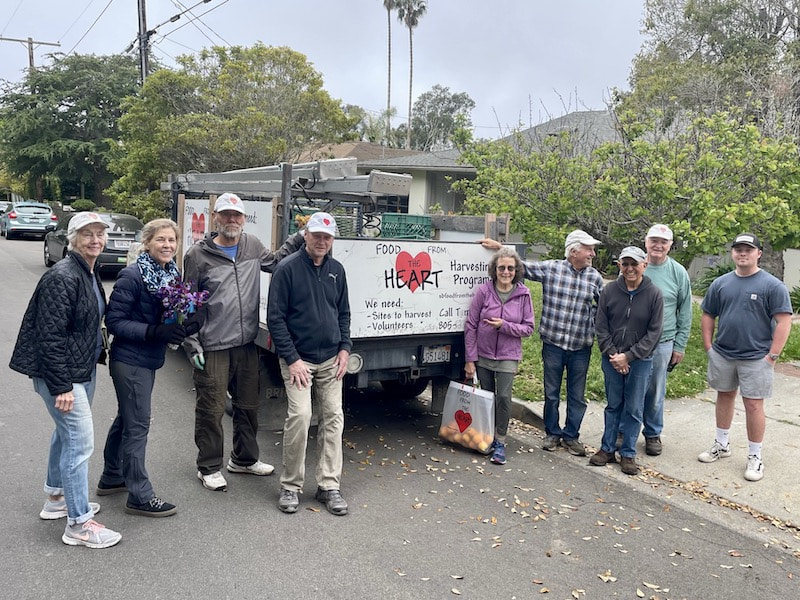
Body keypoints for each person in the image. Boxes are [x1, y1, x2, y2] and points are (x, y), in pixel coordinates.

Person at [9, 212, 122, 549]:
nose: (95, 240)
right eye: (87, 234)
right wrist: (61, 386)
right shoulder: (64, 276)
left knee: (65, 435)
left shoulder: (88, 271)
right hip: (61, 375)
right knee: (79, 443)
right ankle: (79, 524)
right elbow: (49, 335)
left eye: (99, 234)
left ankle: (57, 499)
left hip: (78, 370)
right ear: (73, 238)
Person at [183, 193, 303, 491]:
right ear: (216, 217)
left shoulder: (252, 245)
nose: (232, 220)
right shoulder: (197, 255)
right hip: (212, 345)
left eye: (237, 215)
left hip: (247, 343)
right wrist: (192, 343)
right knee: (211, 408)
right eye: (226, 215)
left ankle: (244, 460)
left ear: (243, 218)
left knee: (248, 405)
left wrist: (300, 237)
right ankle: (208, 466)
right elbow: (187, 303)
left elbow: (275, 262)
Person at [97, 218, 200, 517]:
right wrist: (154, 332)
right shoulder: (133, 275)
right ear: (147, 243)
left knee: (127, 418)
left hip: (147, 359)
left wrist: (182, 326)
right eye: (161, 240)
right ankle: (139, 495)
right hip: (130, 360)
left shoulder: (170, 273)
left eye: (172, 241)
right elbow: (114, 321)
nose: (167, 245)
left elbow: (172, 313)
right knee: (138, 425)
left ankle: (112, 475)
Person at [481, 230, 604, 456]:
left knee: (577, 395)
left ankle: (571, 436)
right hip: (553, 344)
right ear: (574, 250)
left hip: (580, 346)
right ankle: (552, 433)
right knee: (552, 392)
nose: (593, 254)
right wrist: (500, 247)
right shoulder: (552, 269)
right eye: (589, 249)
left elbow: (604, 309)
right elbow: (520, 266)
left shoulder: (594, 277)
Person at [267, 212, 352, 515]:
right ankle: (290, 486)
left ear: (332, 241)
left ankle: (328, 486)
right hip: (297, 360)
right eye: (316, 235)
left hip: (331, 359)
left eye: (327, 237)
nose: (321, 241)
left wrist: (345, 349)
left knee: (333, 417)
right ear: (305, 235)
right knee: (301, 416)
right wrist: (292, 360)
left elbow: (343, 314)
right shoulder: (287, 270)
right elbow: (275, 319)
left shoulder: (337, 271)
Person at [697, 233, 792, 482]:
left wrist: (772, 356)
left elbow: (784, 321)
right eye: (738, 249)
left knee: (753, 404)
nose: (742, 253)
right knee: (724, 396)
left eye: (748, 250)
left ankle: (755, 456)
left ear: (758, 253)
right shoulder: (721, 284)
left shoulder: (772, 286)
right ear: (732, 253)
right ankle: (721, 444)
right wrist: (709, 347)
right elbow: (708, 314)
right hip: (724, 354)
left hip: (756, 357)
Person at [590, 246, 663, 476]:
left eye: (634, 264)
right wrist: (613, 354)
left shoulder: (654, 294)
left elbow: (654, 332)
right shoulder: (609, 291)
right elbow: (600, 325)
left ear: (644, 265)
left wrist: (628, 356)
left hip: (640, 360)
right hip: (611, 358)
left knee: (633, 407)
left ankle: (629, 453)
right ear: (620, 266)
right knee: (613, 404)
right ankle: (607, 448)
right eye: (625, 264)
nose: (630, 269)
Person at [622, 224, 692, 456]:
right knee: (629, 387)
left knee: (655, 389)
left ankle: (652, 433)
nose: (658, 246)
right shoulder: (635, 267)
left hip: (662, 342)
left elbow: (685, 310)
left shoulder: (678, 272)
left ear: (670, 245)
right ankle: (624, 429)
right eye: (654, 241)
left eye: (663, 242)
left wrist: (679, 345)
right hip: (632, 342)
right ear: (646, 242)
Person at [464, 247, 535, 465]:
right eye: (501, 267)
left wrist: (504, 326)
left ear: (516, 271)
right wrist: (470, 359)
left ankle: (501, 441)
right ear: (494, 270)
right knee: (487, 398)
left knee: (503, 398)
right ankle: (486, 437)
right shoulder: (484, 291)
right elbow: (471, 325)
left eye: (510, 268)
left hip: (508, 355)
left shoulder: (523, 294)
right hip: (484, 355)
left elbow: (528, 328)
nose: (506, 272)